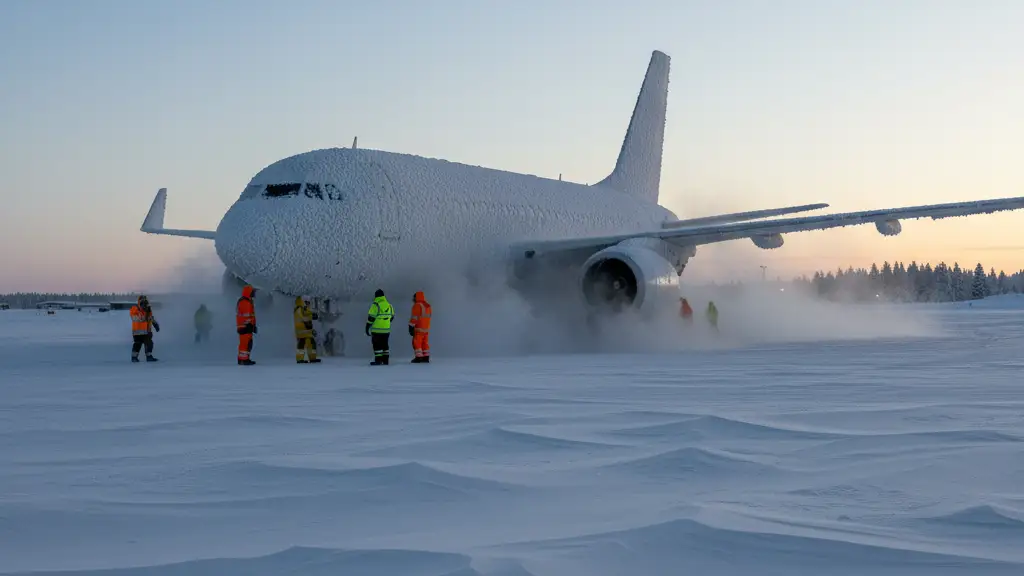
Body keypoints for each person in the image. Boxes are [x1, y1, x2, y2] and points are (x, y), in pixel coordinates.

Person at [365, 288, 394, 365]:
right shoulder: (389, 305)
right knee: (385, 345)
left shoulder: (375, 305)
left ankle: (378, 360)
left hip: (377, 330)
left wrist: (367, 327)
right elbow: (392, 317)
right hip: (386, 330)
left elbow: (371, 318)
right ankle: (385, 360)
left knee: (377, 345)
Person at [130, 295, 160, 362]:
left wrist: (155, 324)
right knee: (137, 344)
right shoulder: (135, 309)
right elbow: (137, 318)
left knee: (149, 343)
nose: (144, 303)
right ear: (139, 301)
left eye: (145, 301)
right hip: (137, 332)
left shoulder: (148, 310)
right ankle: (134, 357)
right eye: (142, 301)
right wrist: (143, 311)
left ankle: (149, 356)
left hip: (147, 331)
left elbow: (150, 318)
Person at [293, 296, 322, 363]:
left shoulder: (303, 309)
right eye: (306, 302)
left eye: (308, 302)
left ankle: (312, 358)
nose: (308, 304)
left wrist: (313, 314)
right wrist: (312, 316)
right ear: (302, 302)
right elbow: (303, 318)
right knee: (302, 344)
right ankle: (300, 359)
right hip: (301, 332)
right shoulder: (299, 309)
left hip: (307, 332)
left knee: (312, 344)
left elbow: (307, 313)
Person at [236, 285, 258, 365]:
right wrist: (249, 325)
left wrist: (253, 325)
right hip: (245, 327)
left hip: (246, 326)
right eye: (253, 292)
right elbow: (246, 315)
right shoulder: (245, 302)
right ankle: (243, 360)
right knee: (245, 344)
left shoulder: (247, 301)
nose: (254, 294)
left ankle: (244, 358)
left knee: (247, 343)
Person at [408, 291, 432, 363]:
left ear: (417, 297)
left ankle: (418, 358)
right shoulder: (427, 305)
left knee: (417, 343)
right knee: (425, 343)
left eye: (414, 297)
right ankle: (426, 357)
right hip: (426, 328)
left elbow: (414, 317)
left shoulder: (417, 305)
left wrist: (411, 326)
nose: (413, 299)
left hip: (419, 328)